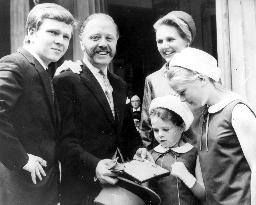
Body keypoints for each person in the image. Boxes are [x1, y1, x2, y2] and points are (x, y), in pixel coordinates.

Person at [53, 13, 146, 205]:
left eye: (109, 38)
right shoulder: (66, 80)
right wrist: (95, 166)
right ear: (81, 41)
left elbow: (127, 133)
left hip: (118, 189)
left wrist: (137, 150)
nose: (103, 44)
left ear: (116, 41)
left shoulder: (119, 85)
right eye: (95, 38)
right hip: (82, 191)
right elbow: (63, 142)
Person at [0, 3, 75, 205]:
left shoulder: (42, 70)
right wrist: (22, 160)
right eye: (53, 32)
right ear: (32, 32)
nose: (60, 41)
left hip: (40, 187)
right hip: (20, 186)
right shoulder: (15, 64)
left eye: (66, 36)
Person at [167, 47, 256, 204]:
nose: (181, 99)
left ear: (201, 79)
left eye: (182, 92)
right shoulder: (205, 115)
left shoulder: (237, 111)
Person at [140, 10, 203, 149]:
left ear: (187, 41)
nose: (164, 46)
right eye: (160, 41)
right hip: (165, 162)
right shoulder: (153, 80)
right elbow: (147, 128)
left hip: (200, 157)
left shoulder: (203, 76)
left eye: (170, 39)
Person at [147, 95, 205, 205]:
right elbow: (145, 195)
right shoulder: (151, 155)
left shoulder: (194, 153)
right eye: (155, 130)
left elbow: (204, 195)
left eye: (165, 129)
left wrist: (187, 177)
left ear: (181, 127)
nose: (160, 135)